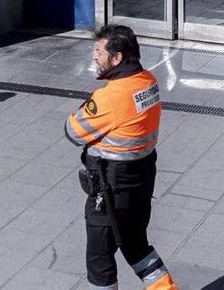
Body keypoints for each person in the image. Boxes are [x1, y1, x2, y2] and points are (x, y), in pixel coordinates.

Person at [65, 25, 179, 290]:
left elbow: (72, 131)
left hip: (110, 191)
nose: (94, 56)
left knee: (99, 260)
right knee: (136, 246)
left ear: (116, 58)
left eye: (98, 51)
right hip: (140, 182)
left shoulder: (110, 97)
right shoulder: (148, 81)